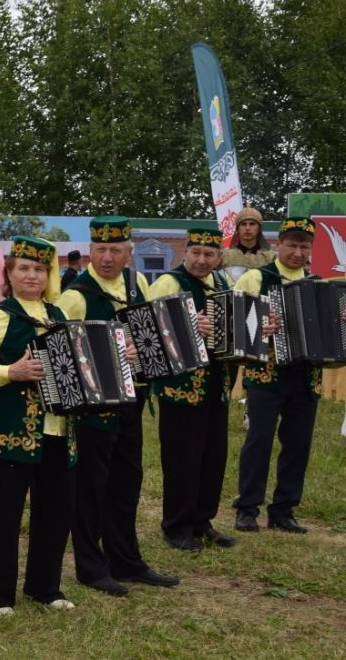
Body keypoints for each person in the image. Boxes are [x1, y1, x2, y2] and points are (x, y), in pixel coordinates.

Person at [56, 216, 179, 596]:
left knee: (127, 481)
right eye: (100, 250)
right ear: (90, 251)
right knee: (91, 487)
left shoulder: (136, 282)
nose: (107, 257)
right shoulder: (75, 295)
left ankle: (126, 560)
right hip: (93, 406)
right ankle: (91, 567)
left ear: (129, 251)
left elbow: (151, 332)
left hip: (132, 398)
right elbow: (59, 353)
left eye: (115, 250)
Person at [0, 236, 77, 617]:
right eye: (23, 268)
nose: (31, 275)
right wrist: (9, 372)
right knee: (1, 515)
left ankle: (45, 587)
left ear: (48, 275)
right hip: (11, 432)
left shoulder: (59, 316)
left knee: (55, 513)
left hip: (59, 432)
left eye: (38, 269)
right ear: (9, 274)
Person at [147, 226, 236, 552]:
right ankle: (176, 525)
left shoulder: (223, 284)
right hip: (180, 386)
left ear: (219, 257)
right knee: (182, 457)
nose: (201, 260)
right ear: (185, 252)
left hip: (216, 384)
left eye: (209, 254)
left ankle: (202, 520)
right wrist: (186, 324)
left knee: (213, 455)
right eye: (196, 253)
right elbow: (145, 326)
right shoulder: (169, 283)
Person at [232, 217, 321, 534]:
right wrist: (261, 331)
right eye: (292, 245)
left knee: (298, 443)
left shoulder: (318, 284)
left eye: (304, 246)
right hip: (266, 376)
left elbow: (330, 339)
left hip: (305, 377)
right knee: (259, 441)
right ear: (278, 245)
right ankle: (247, 508)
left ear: (311, 248)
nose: (298, 252)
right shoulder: (255, 279)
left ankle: (283, 509)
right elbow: (235, 332)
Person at [220, 206, 275, 284]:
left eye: (252, 224)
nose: (247, 228)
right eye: (243, 224)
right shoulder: (224, 255)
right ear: (238, 228)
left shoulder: (270, 256)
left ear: (259, 228)